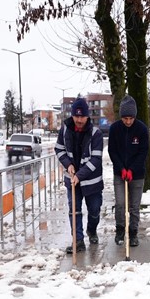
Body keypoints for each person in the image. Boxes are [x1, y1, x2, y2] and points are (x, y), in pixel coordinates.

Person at [55, 97, 104, 253]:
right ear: (72, 115)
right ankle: (78, 241)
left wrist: (80, 175)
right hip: (72, 180)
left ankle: (92, 230)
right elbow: (59, 149)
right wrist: (68, 164)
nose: (79, 120)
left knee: (94, 210)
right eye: (76, 116)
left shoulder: (96, 133)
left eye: (82, 116)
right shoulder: (65, 129)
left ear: (87, 116)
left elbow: (96, 158)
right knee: (74, 210)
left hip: (92, 181)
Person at [108, 95, 149, 247]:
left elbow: (143, 152)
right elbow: (113, 151)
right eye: (125, 118)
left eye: (131, 118)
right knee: (120, 203)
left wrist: (132, 169)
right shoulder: (115, 129)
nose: (128, 121)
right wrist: (121, 168)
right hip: (119, 173)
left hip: (137, 175)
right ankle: (120, 230)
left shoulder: (142, 129)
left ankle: (133, 233)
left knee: (135, 206)